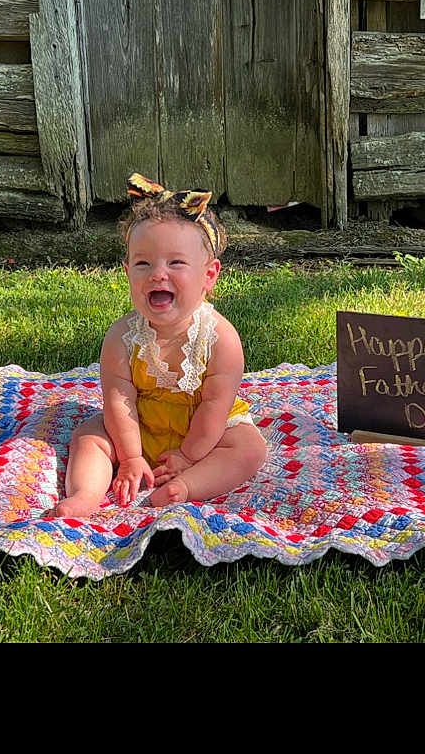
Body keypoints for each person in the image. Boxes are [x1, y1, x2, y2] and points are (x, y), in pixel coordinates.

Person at [51, 173, 267, 517]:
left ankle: (187, 485)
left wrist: (188, 456)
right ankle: (86, 494)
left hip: (204, 437)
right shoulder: (122, 337)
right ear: (127, 273)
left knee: (249, 447)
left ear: (208, 276)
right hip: (139, 428)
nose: (157, 273)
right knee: (89, 435)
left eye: (176, 262)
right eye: (143, 263)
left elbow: (214, 406)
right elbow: (119, 401)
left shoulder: (221, 339)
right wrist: (131, 456)